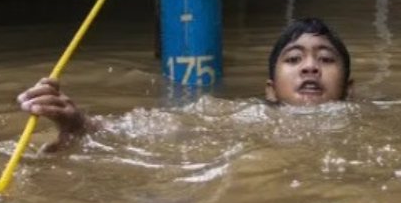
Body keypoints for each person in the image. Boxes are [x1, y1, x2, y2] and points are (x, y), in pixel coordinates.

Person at [17, 18, 353, 152]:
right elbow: (157, 128)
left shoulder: (372, 119)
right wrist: (81, 125)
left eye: (325, 59)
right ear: (270, 89)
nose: (310, 66)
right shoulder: (243, 117)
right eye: (294, 59)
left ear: (349, 90)